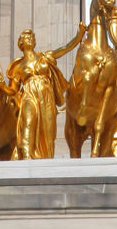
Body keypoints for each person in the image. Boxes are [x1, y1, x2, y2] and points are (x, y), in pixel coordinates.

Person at [7, 25, 85, 159]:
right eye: (27, 37)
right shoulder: (18, 66)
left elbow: (65, 48)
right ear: (21, 43)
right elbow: (13, 90)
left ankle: (46, 160)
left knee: (48, 132)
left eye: (32, 36)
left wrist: (79, 36)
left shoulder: (45, 56)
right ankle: (26, 157)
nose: (31, 38)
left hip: (46, 96)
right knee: (28, 122)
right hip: (29, 95)